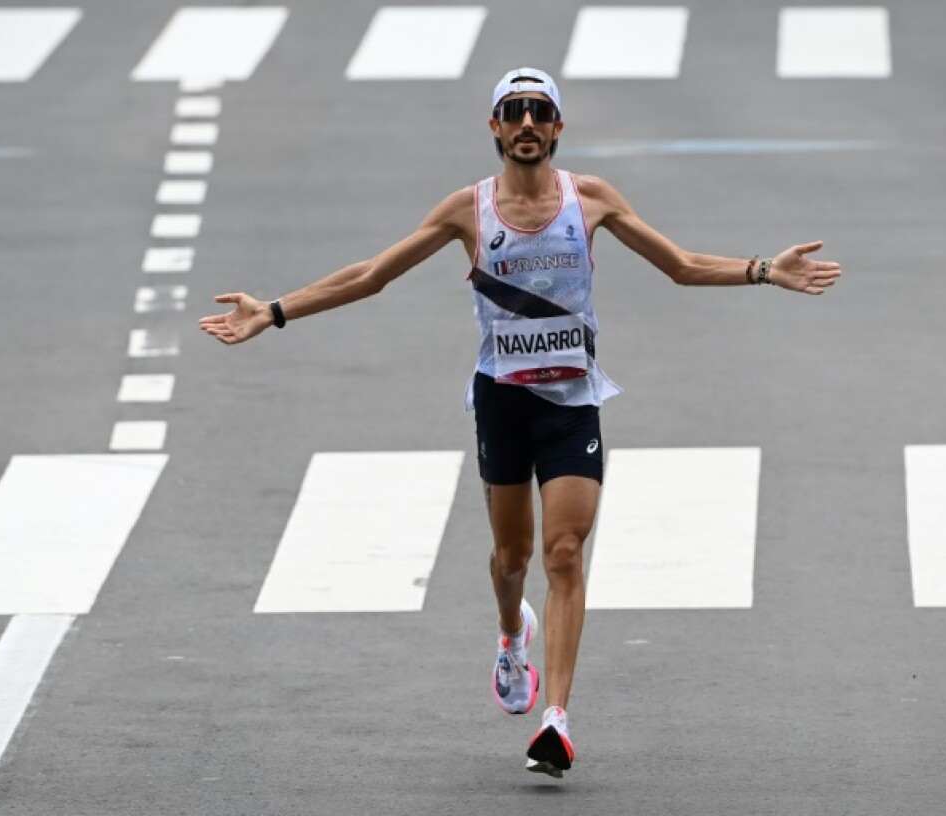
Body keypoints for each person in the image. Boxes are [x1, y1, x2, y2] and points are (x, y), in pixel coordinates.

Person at [199, 67, 841, 778]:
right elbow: (372, 275)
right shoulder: (466, 211)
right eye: (515, 111)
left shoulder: (589, 200)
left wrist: (763, 269)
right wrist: (275, 310)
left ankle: (557, 721)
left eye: (541, 111)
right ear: (495, 127)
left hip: (571, 405)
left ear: (559, 127)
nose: (528, 122)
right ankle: (512, 634)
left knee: (564, 553)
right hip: (502, 404)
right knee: (512, 559)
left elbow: (682, 265)